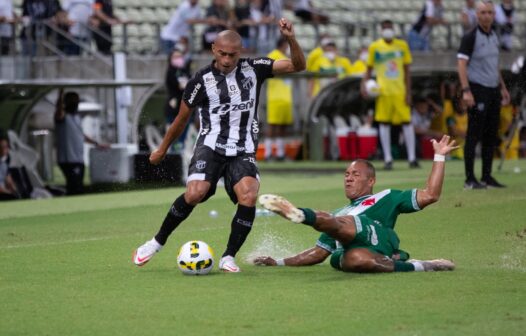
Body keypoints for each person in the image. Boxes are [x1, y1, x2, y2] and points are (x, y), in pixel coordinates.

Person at [133, 18, 306, 272]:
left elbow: (298, 66)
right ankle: (156, 242)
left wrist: (291, 38)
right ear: (214, 49)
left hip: (243, 148)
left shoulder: (255, 67)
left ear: (241, 52)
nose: (227, 60)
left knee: (248, 195)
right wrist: (161, 149)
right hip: (211, 146)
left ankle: (228, 256)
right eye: (222, 54)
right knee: (195, 193)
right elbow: (181, 119)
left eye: (232, 55)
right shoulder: (200, 81)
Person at [254, 135, 458, 273]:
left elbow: (431, 194)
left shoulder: (387, 197)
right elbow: (317, 254)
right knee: (356, 259)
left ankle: (301, 214)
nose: (348, 179)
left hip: (377, 237)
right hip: (353, 249)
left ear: (371, 181)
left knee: (344, 221)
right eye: (346, 175)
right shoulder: (339, 213)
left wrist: (439, 156)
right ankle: (423, 266)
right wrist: (277, 262)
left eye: (355, 174)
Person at [457, 0, 510, 189]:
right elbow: (461, 64)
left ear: (494, 15)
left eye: (490, 12)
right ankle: (469, 179)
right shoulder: (470, 37)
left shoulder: (495, 35)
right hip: (477, 89)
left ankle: (487, 176)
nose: (487, 15)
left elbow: (495, 65)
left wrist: (502, 88)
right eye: (483, 12)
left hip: (493, 89)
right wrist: (466, 90)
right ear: (477, 15)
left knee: (490, 134)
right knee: (474, 134)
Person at [361, 20, 418, 170]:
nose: (387, 30)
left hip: (400, 91)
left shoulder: (402, 45)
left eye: (389, 27)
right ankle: (388, 159)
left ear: (393, 29)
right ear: (381, 30)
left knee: (406, 122)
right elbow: (368, 69)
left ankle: (412, 158)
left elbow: (407, 71)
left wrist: (409, 92)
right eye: (385, 27)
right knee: (384, 123)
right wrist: (364, 85)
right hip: (383, 92)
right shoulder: (375, 47)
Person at [55, 89, 108, 195]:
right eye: (73, 101)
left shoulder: (77, 117)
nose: (76, 103)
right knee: (74, 186)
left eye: (77, 101)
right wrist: (60, 94)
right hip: (68, 159)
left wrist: (97, 143)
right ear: (66, 102)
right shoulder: (63, 117)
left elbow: (81, 136)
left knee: (78, 186)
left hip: (78, 158)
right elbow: (59, 110)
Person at [264, 36, 293, 161]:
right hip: (275, 97)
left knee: (283, 126)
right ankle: (268, 153)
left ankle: (280, 153)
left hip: (286, 97)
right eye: (287, 45)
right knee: (272, 125)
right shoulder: (273, 55)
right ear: (283, 44)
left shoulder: (286, 57)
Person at [164, 44, 192, 152]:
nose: (178, 60)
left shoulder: (186, 71)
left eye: (180, 57)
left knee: (184, 128)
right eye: (175, 57)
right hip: (174, 107)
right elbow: (179, 86)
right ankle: (174, 149)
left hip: (185, 106)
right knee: (173, 131)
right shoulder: (170, 72)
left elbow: (190, 85)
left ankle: (180, 146)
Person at [0, 136, 18, 201]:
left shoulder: (4, 164)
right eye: (1, 147)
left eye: (5, 147)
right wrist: (9, 192)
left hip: (4, 192)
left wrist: (14, 189)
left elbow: (9, 180)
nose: (3, 149)